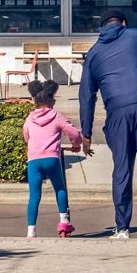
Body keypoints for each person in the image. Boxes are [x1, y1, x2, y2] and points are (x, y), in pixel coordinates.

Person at [78, 8, 137, 239]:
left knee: (121, 170)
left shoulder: (93, 54)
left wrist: (86, 132)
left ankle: (122, 229)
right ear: (123, 23)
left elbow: (86, 97)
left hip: (116, 113)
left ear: (102, 27)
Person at [21, 81, 85, 239]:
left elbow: (26, 135)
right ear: (52, 101)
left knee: (34, 196)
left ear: (34, 101)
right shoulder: (56, 117)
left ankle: (31, 231)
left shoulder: (29, 118)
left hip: (34, 160)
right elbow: (75, 133)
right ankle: (64, 222)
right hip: (51, 158)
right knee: (60, 189)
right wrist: (75, 145)